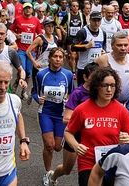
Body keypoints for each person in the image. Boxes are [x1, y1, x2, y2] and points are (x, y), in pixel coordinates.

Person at [64, 66, 129, 186]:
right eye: (104, 85)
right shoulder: (82, 109)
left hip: (113, 163)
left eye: (112, 85)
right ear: (97, 86)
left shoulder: (121, 110)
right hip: (88, 162)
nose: (109, 89)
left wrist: (128, 139)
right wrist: (76, 146)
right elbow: (68, 132)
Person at [49, 62, 99, 186]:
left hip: (92, 138)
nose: (97, 81)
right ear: (85, 77)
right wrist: (86, 122)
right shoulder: (77, 94)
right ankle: (53, 176)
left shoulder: (101, 93)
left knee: (96, 169)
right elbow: (66, 119)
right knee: (67, 169)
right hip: (75, 137)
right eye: (93, 78)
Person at [32, 47, 74, 186]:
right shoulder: (41, 74)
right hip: (46, 113)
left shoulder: (67, 74)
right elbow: (34, 92)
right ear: (50, 58)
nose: (58, 59)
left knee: (57, 147)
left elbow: (73, 93)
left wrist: (70, 102)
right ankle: (48, 172)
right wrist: (39, 99)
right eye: (55, 56)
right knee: (49, 145)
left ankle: (50, 170)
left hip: (61, 114)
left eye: (60, 57)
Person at [96, 32, 129, 113]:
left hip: (126, 104)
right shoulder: (103, 60)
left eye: (126, 45)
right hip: (108, 103)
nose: (123, 48)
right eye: (119, 45)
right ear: (112, 45)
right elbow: (94, 81)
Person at [9, 2, 43, 98]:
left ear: (32, 10)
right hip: (20, 49)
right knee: (22, 69)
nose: (28, 10)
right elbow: (10, 30)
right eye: (26, 8)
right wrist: (16, 35)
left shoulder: (36, 20)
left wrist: (38, 36)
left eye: (29, 8)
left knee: (28, 72)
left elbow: (40, 32)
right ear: (23, 9)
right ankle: (17, 82)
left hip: (31, 50)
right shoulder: (18, 19)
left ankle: (23, 90)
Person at [25, 19, 58, 105]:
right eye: (48, 26)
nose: (51, 29)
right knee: (38, 89)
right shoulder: (40, 39)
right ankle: (32, 92)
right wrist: (34, 63)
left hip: (50, 68)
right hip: (39, 68)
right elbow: (28, 52)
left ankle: (47, 105)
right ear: (44, 27)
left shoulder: (55, 38)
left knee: (48, 87)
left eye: (52, 26)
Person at [71, 11, 107, 86]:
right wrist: (86, 46)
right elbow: (73, 47)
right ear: (90, 20)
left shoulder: (103, 33)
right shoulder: (83, 32)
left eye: (98, 20)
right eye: (94, 20)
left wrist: (103, 51)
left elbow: (103, 46)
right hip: (83, 68)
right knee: (82, 91)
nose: (96, 23)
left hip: (97, 68)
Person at [58, 1, 86, 79]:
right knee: (73, 55)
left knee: (78, 56)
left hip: (79, 38)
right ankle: (73, 72)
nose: (75, 7)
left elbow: (86, 25)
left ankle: (77, 68)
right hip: (70, 38)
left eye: (77, 6)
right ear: (70, 7)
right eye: (73, 6)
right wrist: (63, 31)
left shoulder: (82, 15)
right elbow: (60, 25)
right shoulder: (67, 16)